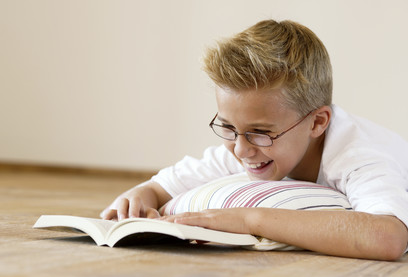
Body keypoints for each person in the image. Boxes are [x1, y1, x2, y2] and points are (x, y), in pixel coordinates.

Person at [101, 19, 408, 261]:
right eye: (228, 127)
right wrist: (140, 196)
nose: (241, 149)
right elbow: (160, 187)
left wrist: (250, 220)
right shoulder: (244, 145)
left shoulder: (358, 155)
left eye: (260, 133)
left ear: (317, 122)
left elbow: (388, 237)